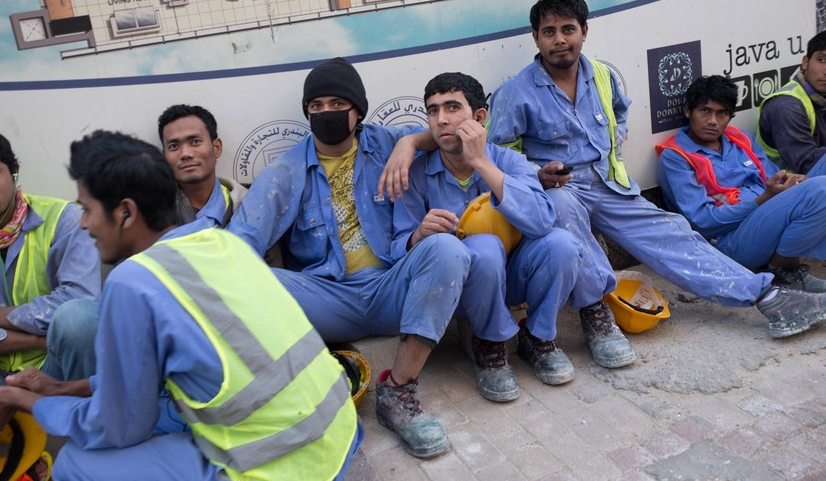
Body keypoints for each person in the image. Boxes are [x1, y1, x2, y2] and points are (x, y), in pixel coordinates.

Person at [0, 130, 361, 481]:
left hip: (284, 476)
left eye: (88, 209)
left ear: (126, 212)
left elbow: (118, 429)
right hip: (338, 437)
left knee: (77, 463)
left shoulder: (134, 281)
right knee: (158, 410)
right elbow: (157, 384)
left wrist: (20, 401)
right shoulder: (221, 243)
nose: (83, 224)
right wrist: (59, 390)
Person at [487, 0, 826, 339]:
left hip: (608, 183)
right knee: (563, 211)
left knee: (675, 235)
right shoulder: (517, 92)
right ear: (535, 38)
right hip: (560, 189)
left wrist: (612, 148)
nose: (560, 39)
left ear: (583, 32)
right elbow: (498, 152)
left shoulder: (601, 75)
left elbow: (619, 111)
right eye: (549, 32)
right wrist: (536, 174)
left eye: (568, 29)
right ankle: (597, 315)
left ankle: (766, 295)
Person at [227, 57, 471, 458]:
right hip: (327, 299)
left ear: (358, 110)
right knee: (252, 280)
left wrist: (409, 143)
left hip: (393, 287)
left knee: (446, 248)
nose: (326, 113)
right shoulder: (286, 171)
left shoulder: (385, 143)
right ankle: (291, 400)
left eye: (337, 104)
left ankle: (398, 392)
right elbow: (241, 244)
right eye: (316, 106)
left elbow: (443, 133)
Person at [393, 71, 629, 387]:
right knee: (485, 248)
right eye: (433, 111)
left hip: (514, 278)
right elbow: (396, 246)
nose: (441, 120)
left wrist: (482, 164)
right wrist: (417, 236)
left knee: (562, 244)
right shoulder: (416, 173)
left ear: (479, 117)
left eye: (452, 108)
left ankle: (537, 337)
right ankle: (488, 343)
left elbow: (542, 221)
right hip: (458, 291)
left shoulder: (508, 161)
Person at [0, 126, 99, 407]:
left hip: (55, 370)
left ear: (14, 171)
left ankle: (86, 430)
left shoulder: (65, 218)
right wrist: (35, 340)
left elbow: (79, 300)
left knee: (79, 317)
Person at [657, 75, 826, 291]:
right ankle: (783, 269)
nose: (712, 121)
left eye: (722, 113)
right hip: (729, 243)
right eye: (705, 111)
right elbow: (703, 223)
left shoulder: (740, 139)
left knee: (818, 182)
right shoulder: (676, 157)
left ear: (730, 116)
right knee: (821, 189)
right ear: (688, 111)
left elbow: (773, 178)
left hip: (766, 217)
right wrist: (765, 197)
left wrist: (792, 181)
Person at [158, 104, 246, 228]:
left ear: (217, 148)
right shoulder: (150, 216)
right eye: (174, 146)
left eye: (195, 142)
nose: (185, 154)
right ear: (164, 157)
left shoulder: (249, 207)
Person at [756, 31, 826, 176]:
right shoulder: (787, 106)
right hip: (784, 190)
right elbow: (807, 163)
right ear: (805, 62)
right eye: (822, 60)